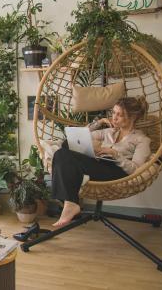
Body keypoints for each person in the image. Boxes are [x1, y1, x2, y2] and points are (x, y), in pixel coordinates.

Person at [51, 96, 151, 228]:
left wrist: (115, 154)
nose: (114, 118)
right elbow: (78, 136)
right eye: (113, 113)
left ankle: (70, 202)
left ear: (132, 118)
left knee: (64, 154)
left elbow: (135, 169)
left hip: (116, 171)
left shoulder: (142, 140)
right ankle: (71, 203)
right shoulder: (109, 132)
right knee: (64, 148)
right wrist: (100, 122)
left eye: (119, 115)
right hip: (99, 164)